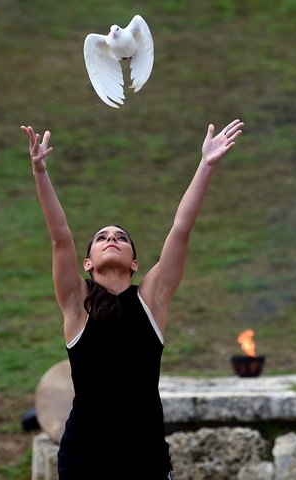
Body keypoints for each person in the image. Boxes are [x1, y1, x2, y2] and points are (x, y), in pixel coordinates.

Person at [21, 118, 244, 480]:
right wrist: (40, 172)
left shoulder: (152, 301)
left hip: (145, 458)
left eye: (121, 238)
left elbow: (181, 228)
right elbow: (60, 238)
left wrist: (205, 165)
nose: (112, 239)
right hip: (84, 460)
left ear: (135, 263)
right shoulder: (78, 303)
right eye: (102, 237)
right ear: (88, 262)